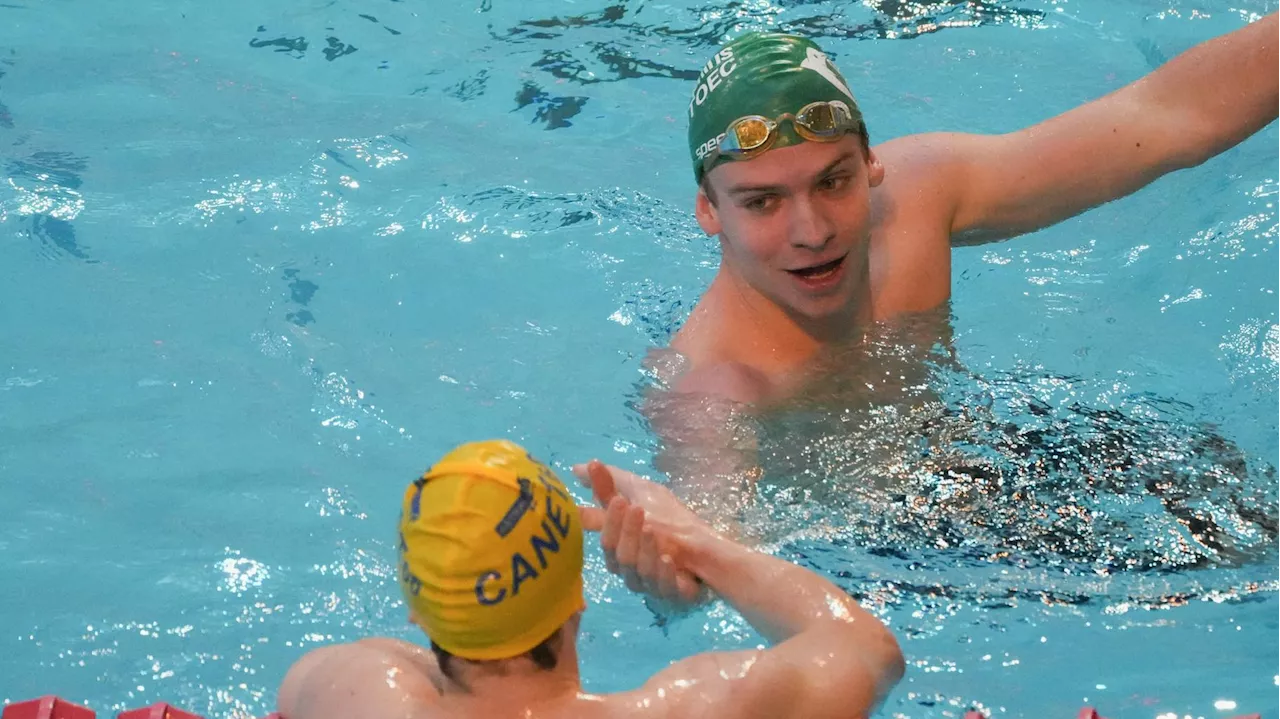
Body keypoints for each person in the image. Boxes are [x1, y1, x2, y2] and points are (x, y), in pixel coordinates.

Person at [667, 17, 1280, 407]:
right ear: (709, 210)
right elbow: (714, 551)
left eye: (833, 182)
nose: (814, 231)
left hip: (993, 458)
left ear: (872, 164)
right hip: (892, 563)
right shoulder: (715, 388)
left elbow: (1163, 118)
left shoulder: (919, 194)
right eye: (762, 202)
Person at [275, 439, 905, 719]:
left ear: (418, 607)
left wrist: (472, 607)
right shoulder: (699, 706)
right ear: (576, 590)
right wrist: (697, 542)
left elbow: (373, 665)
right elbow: (866, 649)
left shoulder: (351, 688)